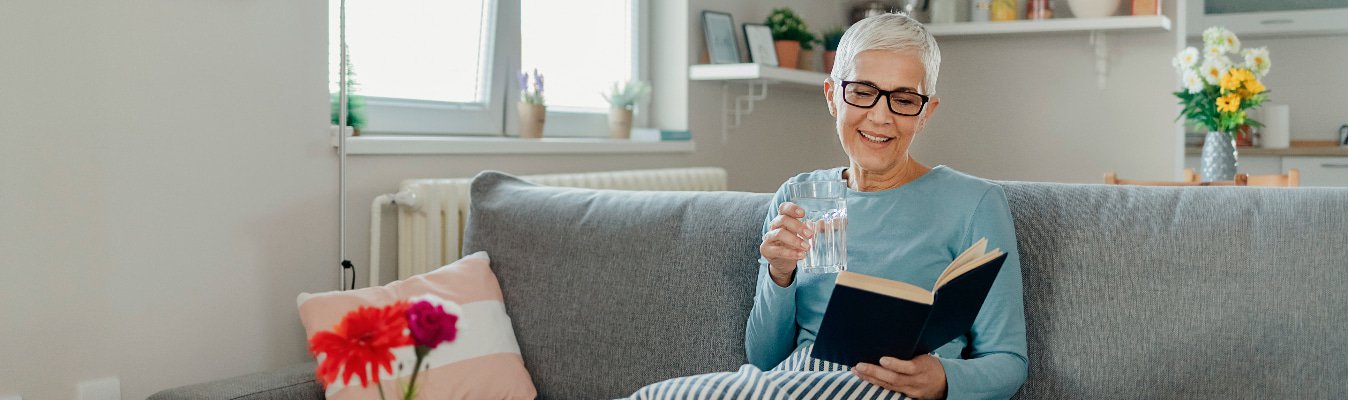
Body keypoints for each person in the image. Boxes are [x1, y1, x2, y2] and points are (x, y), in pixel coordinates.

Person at [629, 13, 1026, 400]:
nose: (880, 115)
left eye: (904, 99)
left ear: (925, 113)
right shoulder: (797, 195)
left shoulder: (974, 202)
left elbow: (1008, 362)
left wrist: (942, 379)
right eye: (862, 91)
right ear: (832, 96)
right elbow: (765, 358)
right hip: (795, 382)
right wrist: (779, 274)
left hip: (894, 390)